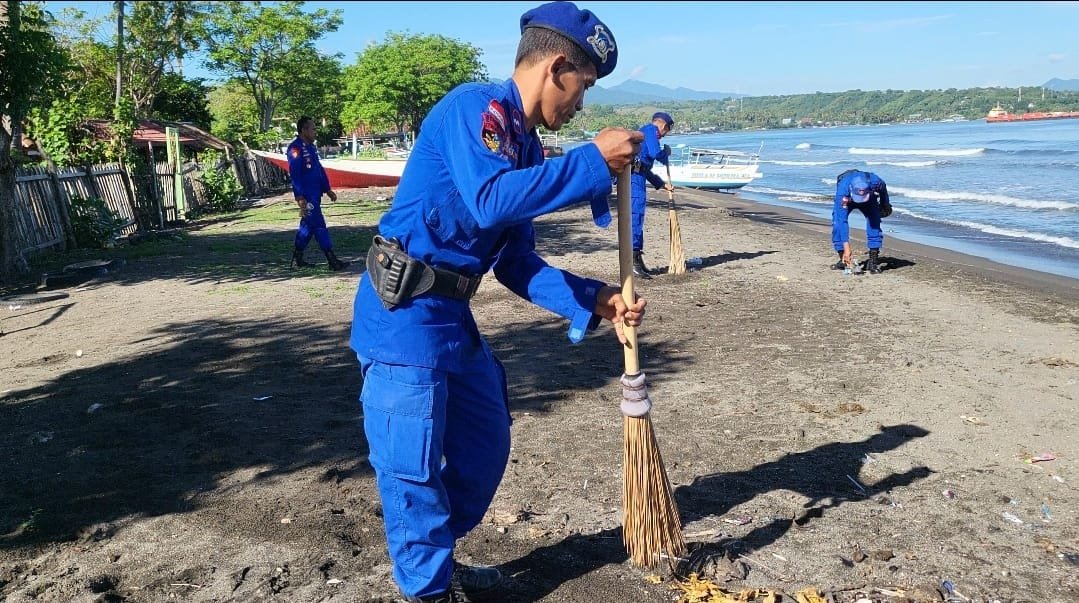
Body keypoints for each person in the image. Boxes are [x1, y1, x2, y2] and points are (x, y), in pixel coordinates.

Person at [348, 3, 645, 602]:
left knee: (485, 445)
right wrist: (590, 162)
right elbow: (488, 200)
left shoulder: (529, 152)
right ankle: (428, 590)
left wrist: (595, 298)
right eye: (583, 85)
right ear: (558, 66)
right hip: (402, 317)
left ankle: (436, 559)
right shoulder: (473, 108)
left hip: (452, 321)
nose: (582, 104)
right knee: (412, 466)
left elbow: (514, 260)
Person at [287, 116, 348, 271]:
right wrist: (299, 197)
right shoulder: (295, 149)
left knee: (307, 228)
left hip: (315, 193)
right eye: (313, 129)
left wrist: (327, 189)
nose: (315, 132)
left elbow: (318, 170)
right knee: (319, 225)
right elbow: (295, 174)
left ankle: (297, 259)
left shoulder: (311, 148)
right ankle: (332, 260)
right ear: (303, 130)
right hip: (307, 196)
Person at [630, 111, 675, 278]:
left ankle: (637, 259)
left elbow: (645, 168)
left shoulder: (648, 134)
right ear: (663, 126)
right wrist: (666, 154)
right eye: (666, 132)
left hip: (639, 176)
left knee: (638, 218)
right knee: (635, 216)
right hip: (632, 178)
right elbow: (656, 153)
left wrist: (662, 184)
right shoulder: (650, 131)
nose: (663, 137)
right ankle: (632, 262)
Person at [831, 169, 892, 274]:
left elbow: (883, 189)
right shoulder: (842, 191)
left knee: (874, 223)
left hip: (869, 199)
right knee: (837, 224)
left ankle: (873, 261)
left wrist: (884, 203)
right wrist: (847, 248)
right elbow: (842, 221)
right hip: (848, 200)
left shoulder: (875, 182)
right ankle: (844, 258)